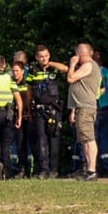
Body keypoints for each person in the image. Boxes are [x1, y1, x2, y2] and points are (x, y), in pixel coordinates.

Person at [66, 42, 103, 181]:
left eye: (77, 53)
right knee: (85, 140)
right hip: (82, 107)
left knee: (89, 139)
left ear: (81, 53)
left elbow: (70, 78)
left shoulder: (88, 65)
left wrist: (72, 65)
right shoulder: (88, 66)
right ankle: (88, 170)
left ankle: (92, 170)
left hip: (86, 107)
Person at [28, 47, 65, 178]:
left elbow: (65, 69)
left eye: (46, 56)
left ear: (49, 56)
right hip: (39, 109)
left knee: (54, 138)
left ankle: (54, 169)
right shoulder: (33, 71)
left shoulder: (54, 69)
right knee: (41, 139)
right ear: (36, 58)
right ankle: (44, 169)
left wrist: (51, 64)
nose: (44, 59)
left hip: (54, 109)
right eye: (41, 56)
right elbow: (29, 91)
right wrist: (29, 108)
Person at [95, 50, 108, 175]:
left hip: (99, 107)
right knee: (104, 137)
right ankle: (106, 164)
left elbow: (100, 91)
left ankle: (99, 166)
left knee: (94, 138)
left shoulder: (98, 73)